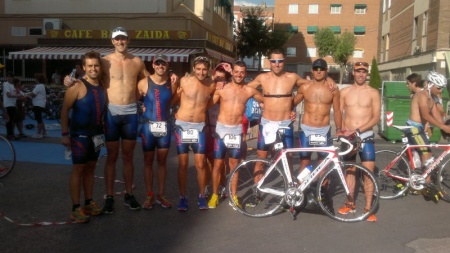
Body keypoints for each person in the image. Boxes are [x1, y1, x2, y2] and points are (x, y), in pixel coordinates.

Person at [246, 49, 336, 206]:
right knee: (261, 159)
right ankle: (257, 193)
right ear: (269, 62)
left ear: (284, 61)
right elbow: (246, 89)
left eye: (280, 61)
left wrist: (328, 78)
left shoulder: (292, 77)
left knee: (287, 160)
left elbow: (311, 83)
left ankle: (289, 194)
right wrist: (261, 99)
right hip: (267, 124)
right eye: (273, 61)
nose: (277, 64)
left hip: (285, 124)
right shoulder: (262, 77)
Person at [207, 60, 263, 209]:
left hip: (236, 131)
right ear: (232, 72)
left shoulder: (249, 90)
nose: (239, 74)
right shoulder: (222, 88)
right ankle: (214, 195)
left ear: (245, 73)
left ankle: (234, 196)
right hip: (221, 130)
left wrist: (289, 110)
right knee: (217, 164)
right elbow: (206, 103)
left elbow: (267, 101)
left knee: (234, 165)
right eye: (236, 71)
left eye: (242, 72)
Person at [61, 51, 107, 223]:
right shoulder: (77, 85)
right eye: (90, 66)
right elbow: (65, 111)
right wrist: (65, 134)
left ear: (100, 67)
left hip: (96, 136)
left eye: (96, 65)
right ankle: (75, 208)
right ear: (84, 67)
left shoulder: (102, 85)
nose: (93, 69)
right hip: (79, 135)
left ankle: (88, 203)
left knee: (91, 169)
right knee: (78, 170)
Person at [338, 62, 381, 222]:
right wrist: (343, 131)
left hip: (366, 136)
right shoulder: (345, 92)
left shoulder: (373, 93)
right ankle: (350, 203)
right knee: (349, 171)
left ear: (367, 73)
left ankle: (368, 207)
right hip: (348, 137)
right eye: (358, 71)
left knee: (367, 173)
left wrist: (358, 131)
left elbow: (376, 117)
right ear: (353, 73)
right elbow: (339, 114)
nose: (361, 74)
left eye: (364, 71)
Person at [174, 56, 215, 211]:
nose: (201, 72)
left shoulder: (211, 85)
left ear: (208, 69)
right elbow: (173, 97)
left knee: (200, 164)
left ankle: (201, 196)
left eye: (204, 69)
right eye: (198, 69)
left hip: (199, 126)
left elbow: (212, 101)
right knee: (183, 164)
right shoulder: (184, 81)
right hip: (182, 126)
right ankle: (183, 197)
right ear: (193, 68)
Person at [137, 54, 178, 209]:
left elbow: (175, 99)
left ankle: (161, 194)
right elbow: (134, 99)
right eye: (158, 64)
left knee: (162, 162)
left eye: (163, 64)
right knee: (148, 161)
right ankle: (149, 195)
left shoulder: (172, 83)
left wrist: (172, 111)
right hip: (148, 127)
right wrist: (141, 107)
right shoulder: (143, 83)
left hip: (164, 127)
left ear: (167, 66)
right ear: (153, 65)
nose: (161, 66)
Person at [294, 59, 342, 174]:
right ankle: (302, 190)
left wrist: (339, 129)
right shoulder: (305, 87)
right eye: (316, 69)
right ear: (312, 70)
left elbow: (337, 111)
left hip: (324, 131)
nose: (318, 72)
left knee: (323, 163)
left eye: (322, 69)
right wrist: (291, 111)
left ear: (326, 70)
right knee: (305, 162)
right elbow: (292, 103)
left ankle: (322, 190)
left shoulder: (333, 90)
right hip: (306, 130)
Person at [405, 71, 450, 180]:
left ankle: (424, 182)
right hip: (413, 128)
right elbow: (425, 115)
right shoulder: (422, 95)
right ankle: (425, 184)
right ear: (430, 84)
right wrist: (443, 127)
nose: (441, 90)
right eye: (439, 88)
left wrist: (445, 127)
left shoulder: (432, 98)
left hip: (419, 129)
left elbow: (435, 115)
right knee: (426, 155)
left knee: (428, 155)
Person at [204, 62, 232, 199]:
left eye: (223, 79)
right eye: (217, 78)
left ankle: (222, 185)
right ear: (213, 75)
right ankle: (210, 184)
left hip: (222, 129)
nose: (219, 81)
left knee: (221, 160)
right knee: (209, 160)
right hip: (208, 127)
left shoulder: (227, 89)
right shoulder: (208, 87)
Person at [2, 72, 22, 140]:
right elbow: (8, 95)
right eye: (8, 77)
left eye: (11, 77)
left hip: (12, 104)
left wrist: (15, 102)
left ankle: (11, 134)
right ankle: (9, 135)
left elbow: (13, 94)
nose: (9, 78)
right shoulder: (6, 84)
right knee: (9, 120)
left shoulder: (12, 85)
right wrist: (17, 95)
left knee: (12, 120)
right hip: (8, 104)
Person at [27, 73, 47, 138]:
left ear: (37, 79)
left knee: (39, 119)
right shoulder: (42, 86)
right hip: (41, 104)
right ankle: (44, 132)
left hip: (38, 104)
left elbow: (33, 94)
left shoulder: (39, 86)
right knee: (40, 119)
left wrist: (27, 94)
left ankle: (39, 133)